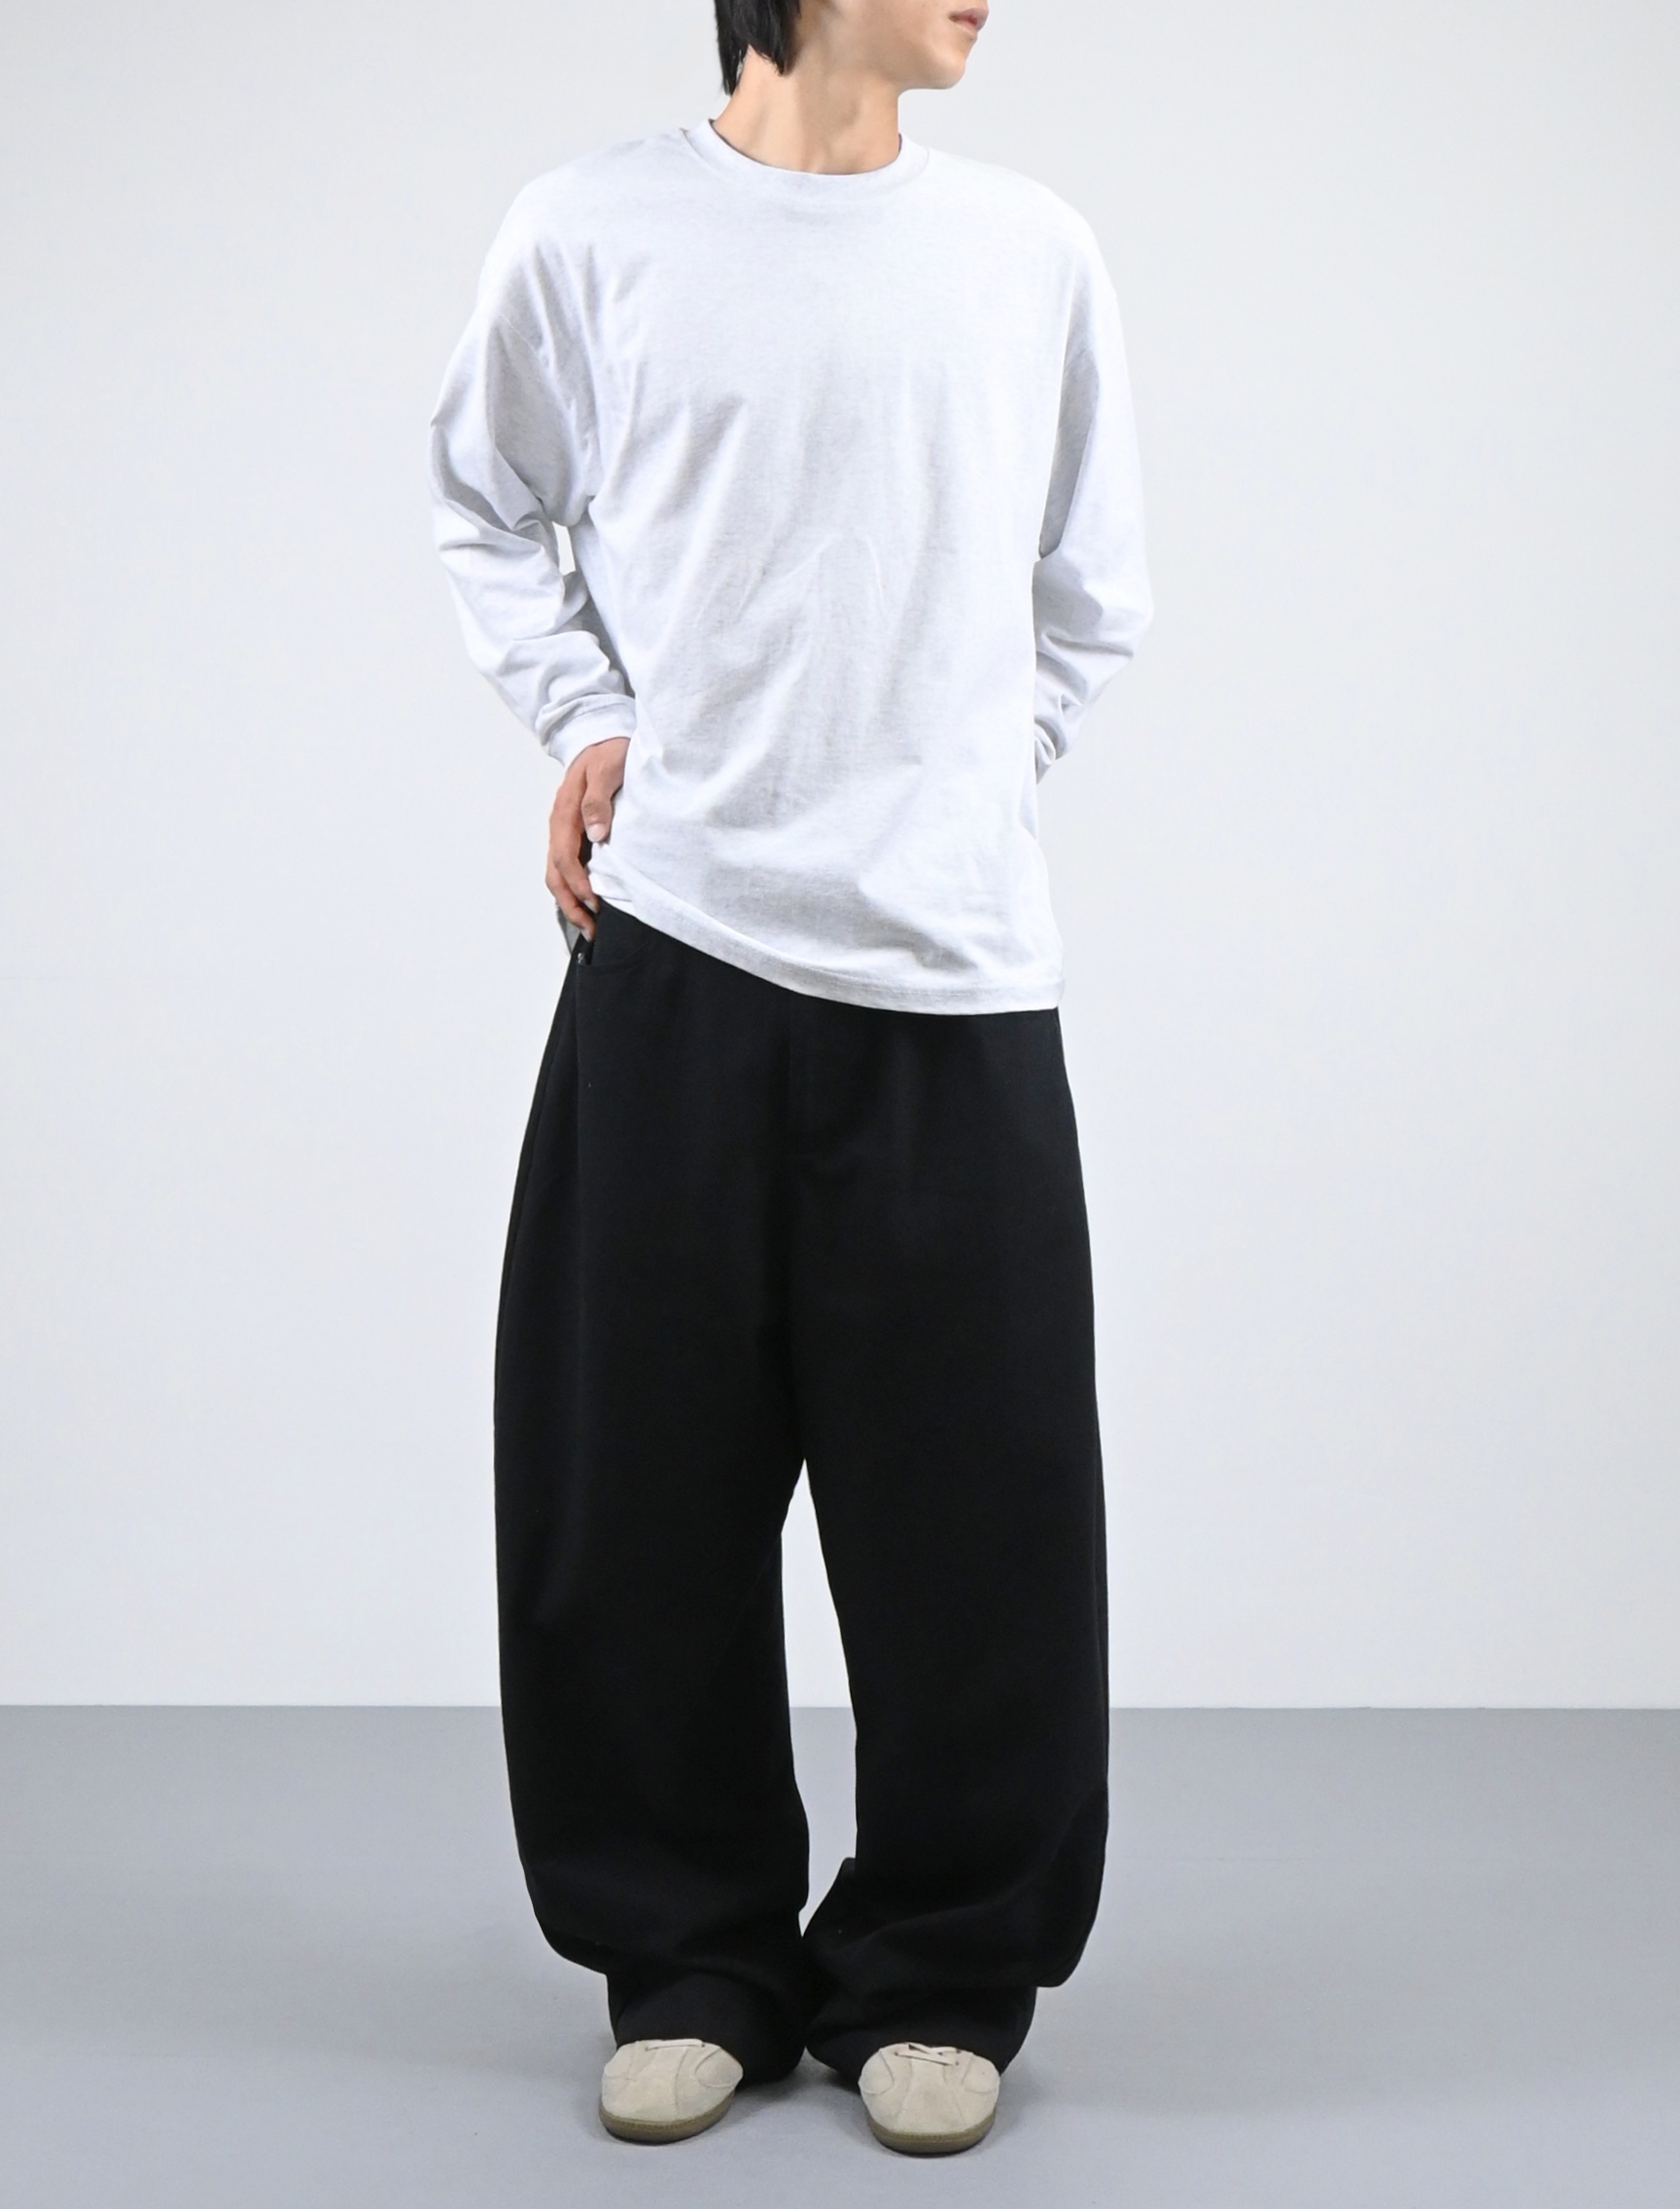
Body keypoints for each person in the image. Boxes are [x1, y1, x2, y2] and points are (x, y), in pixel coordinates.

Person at [427, 0, 1149, 2157]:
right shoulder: (590, 233)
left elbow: (1090, 597)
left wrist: (955, 784)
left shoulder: (1028, 251)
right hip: (676, 947)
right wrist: (586, 719)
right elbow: (483, 502)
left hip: (952, 974)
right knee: (629, 1488)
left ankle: (941, 1964)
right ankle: (691, 1957)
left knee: (984, 1511)